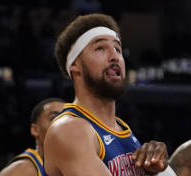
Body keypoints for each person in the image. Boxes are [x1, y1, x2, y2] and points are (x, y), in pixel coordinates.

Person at [43, 13, 170, 176]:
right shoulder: (69, 129)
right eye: (100, 48)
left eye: (118, 49)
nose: (114, 57)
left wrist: (160, 169)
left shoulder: (122, 128)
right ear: (75, 64)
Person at [0, 98, 65, 176]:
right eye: (54, 118)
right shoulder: (22, 170)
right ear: (35, 130)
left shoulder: (73, 166)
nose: (63, 124)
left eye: (67, 118)